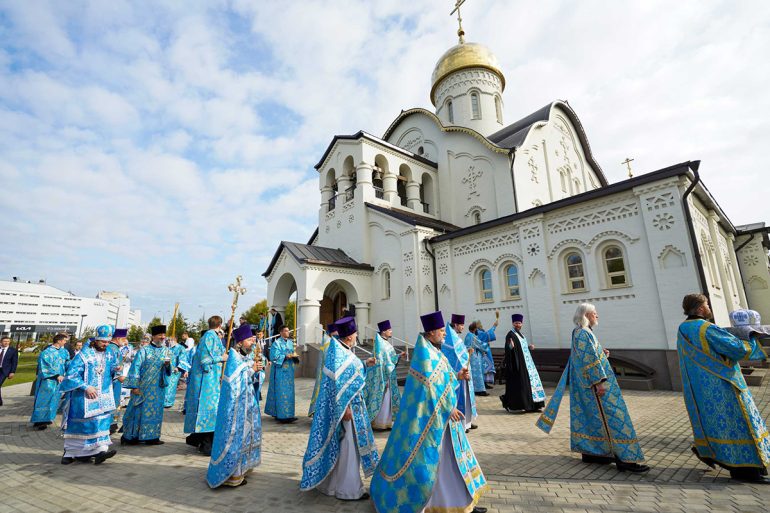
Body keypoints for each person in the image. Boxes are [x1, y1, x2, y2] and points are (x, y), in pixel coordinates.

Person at [371, 311, 488, 513]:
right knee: (437, 465)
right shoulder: (424, 355)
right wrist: (447, 408)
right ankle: (437, 504)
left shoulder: (435, 351)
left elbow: (444, 377)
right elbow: (429, 390)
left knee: (451, 464)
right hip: (432, 423)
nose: (445, 334)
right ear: (432, 331)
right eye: (442, 331)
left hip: (445, 422)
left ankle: (460, 502)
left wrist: (458, 375)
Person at [536, 303, 649, 473]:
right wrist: (599, 383)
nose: (597, 316)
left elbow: (587, 356)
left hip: (586, 385)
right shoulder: (583, 333)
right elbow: (589, 361)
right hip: (594, 385)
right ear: (586, 315)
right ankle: (625, 458)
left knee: (594, 419)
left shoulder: (580, 332)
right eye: (594, 313)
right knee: (613, 418)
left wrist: (601, 353)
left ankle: (595, 453)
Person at [677, 294, 770, 482]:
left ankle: (723, 458)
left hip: (699, 389)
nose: (709, 307)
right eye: (707, 304)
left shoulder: (683, 328)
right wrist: (752, 335)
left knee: (717, 425)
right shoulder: (706, 328)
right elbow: (737, 349)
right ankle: (747, 471)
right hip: (723, 385)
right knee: (739, 425)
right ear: (700, 309)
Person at [300, 316, 379, 500]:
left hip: (347, 408)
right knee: (349, 449)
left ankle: (332, 486)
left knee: (341, 448)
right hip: (347, 410)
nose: (357, 336)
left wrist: (366, 364)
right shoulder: (340, 354)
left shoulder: (340, 351)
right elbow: (339, 386)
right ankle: (349, 490)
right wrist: (345, 409)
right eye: (356, 333)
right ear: (350, 336)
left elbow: (351, 374)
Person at [206, 323, 264, 488]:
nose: (252, 343)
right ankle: (232, 475)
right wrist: (251, 369)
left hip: (247, 405)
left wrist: (256, 371)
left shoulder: (244, 357)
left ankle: (242, 468)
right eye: (249, 340)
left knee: (246, 435)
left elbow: (249, 378)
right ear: (239, 342)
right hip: (236, 407)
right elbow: (234, 382)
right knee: (236, 437)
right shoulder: (233, 357)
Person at [60, 324, 120, 465]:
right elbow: (71, 375)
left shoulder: (110, 354)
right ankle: (70, 453)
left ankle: (99, 451)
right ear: (96, 340)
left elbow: (110, 370)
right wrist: (86, 387)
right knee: (81, 426)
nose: (105, 344)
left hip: (103, 396)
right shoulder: (84, 355)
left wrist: (116, 369)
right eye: (103, 341)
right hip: (83, 397)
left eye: (107, 341)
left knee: (100, 424)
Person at [120, 324, 171, 446]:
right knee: (138, 411)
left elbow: (169, 370)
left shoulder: (166, 351)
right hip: (143, 388)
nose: (162, 337)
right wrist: (134, 386)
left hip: (158, 389)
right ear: (153, 336)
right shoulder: (144, 350)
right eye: (160, 335)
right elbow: (135, 368)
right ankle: (131, 437)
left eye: (164, 335)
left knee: (156, 413)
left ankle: (152, 437)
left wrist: (168, 365)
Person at [184, 316, 227, 455]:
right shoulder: (209, 336)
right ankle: (205, 443)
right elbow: (204, 360)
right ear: (220, 325)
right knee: (208, 410)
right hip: (205, 382)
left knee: (212, 410)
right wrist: (222, 358)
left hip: (212, 380)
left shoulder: (213, 336)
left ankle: (201, 440)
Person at [500, 314, 545, 413]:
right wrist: (510, 347)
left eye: (519, 323)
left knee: (530, 385)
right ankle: (520, 405)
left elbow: (521, 349)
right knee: (521, 386)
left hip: (527, 365)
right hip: (518, 366)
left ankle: (533, 405)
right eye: (516, 323)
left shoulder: (522, 335)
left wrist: (529, 347)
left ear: (521, 324)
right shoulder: (510, 334)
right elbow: (508, 349)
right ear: (513, 323)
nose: (517, 325)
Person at [364, 320, 402, 431]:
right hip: (382, 376)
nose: (391, 331)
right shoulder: (379, 344)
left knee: (387, 399)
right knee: (383, 398)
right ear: (384, 331)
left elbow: (390, 358)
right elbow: (380, 361)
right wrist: (382, 378)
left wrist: (398, 356)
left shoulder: (385, 342)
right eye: (389, 330)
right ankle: (380, 423)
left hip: (388, 376)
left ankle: (387, 421)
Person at [443, 314, 478, 432]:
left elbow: (460, 353)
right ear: (456, 325)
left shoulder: (455, 336)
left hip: (463, 371)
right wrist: (466, 354)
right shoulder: (451, 337)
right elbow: (455, 355)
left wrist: (467, 352)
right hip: (458, 373)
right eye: (461, 325)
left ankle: (467, 422)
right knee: (461, 398)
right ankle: (462, 423)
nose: (463, 327)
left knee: (467, 397)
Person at [30, 333, 68, 430]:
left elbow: (67, 363)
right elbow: (44, 366)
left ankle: (48, 418)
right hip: (48, 381)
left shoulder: (64, 352)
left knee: (54, 400)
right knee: (43, 400)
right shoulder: (46, 352)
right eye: (64, 340)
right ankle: (39, 421)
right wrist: (56, 375)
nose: (65, 342)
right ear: (59, 341)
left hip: (59, 382)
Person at [265, 325, 298, 423]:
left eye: (288, 330)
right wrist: (285, 356)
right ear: (281, 332)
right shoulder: (276, 343)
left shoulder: (291, 343)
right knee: (281, 393)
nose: (288, 332)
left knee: (290, 393)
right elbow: (273, 357)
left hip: (289, 372)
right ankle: (282, 415)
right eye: (286, 331)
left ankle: (290, 414)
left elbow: (294, 354)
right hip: (280, 372)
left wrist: (295, 357)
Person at [308, 323, 337, 417]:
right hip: (327, 372)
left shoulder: (327, 340)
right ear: (332, 332)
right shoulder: (329, 343)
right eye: (337, 331)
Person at [465, 317, 498, 395]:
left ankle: (474, 389)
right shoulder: (472, 336)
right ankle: (480, 390)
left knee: (473, 374)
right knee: (478, 373)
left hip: (471, 356)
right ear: (475, 329)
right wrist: (486, 344)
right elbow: (480, 344)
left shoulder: (467, 335)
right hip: (474, 357)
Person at [106, 329, 127, 434]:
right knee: (113, 402)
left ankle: (112, 423)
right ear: (118, 338)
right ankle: (110, 425)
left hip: (113, 380)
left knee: (114, 401)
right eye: (124, 338)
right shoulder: (114, 349)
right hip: (113, 381)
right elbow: (114, 366)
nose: (125, 340)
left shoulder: (112, 348)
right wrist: (120, 377)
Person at [163, 336, 186, 408]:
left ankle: (168, 402)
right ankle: (163, 401)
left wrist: (178, 367)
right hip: (166, 369)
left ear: (174, 340)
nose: (168, 342)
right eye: (167, 341)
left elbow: (183, 358)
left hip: (175, 371)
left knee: (171, 386)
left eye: (169, 340)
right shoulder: (166, 348)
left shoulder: (180, 348)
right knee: (165, 385)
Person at [0, 335, 19, 406]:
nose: (6, 343)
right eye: (5, 341)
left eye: (8, 341)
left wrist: (12, 372)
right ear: (1, 342)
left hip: (5, 371)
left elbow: (14, 362)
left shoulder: (13, 351)